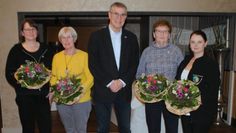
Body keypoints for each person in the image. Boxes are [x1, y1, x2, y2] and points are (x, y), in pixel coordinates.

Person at [87, 2, 139, 133]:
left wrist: (121, 82)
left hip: (123, 91)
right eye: (116, 14)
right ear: (109, 15)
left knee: (125, 128)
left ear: (126, 17)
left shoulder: (132, 38)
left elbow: (134, 64)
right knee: (103, 128)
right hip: (103, 90)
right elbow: (93, 64)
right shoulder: (96, 36)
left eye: (123, 15)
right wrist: (109, 82)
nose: (119, 18)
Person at [5, 19, 53, 133]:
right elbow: (9, 73)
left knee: (46, 127)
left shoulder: (47, 49)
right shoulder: (16, 50)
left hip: (43, 96)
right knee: (28, 128)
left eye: (33, 29)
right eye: (27, 29)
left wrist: (52, 89)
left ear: (37, 31)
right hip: (25, 96)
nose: (31, 32)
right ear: (22, 33)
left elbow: (54, 71)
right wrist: (25, 83)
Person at [135, 19, 184, 133]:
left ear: (169, 35)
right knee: (153, 129)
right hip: (152, 97)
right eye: (159, 31)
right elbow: (139, 74)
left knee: (172, 128)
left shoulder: (176, 51)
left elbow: (183, 74)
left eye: (165, 31)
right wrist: (146, 83)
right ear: (154, 34)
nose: (162, 34)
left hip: (171, 97)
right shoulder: (146, 52)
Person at [50, 26, 94, 133]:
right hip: (62, 100)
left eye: (69, 37)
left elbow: (90, 77)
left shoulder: (84, 56)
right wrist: (53, 89)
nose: (66, 40)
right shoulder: (57, 57)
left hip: (81, 100)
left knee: (80, 129)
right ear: (60, 41)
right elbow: (54, 76)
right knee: (69, 129)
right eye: (63, 38)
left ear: (74, 38)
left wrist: (78, 92)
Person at [176, 30, 220, 133]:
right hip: (185, 109)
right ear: (189, 44)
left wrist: (194, 102)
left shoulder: (210, 64)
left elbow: (212, 89)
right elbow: (178, 79)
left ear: (205, 43)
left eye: (199, 42)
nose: (195, 45)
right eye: (193, 42)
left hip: (202, 111)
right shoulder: (186, 60)